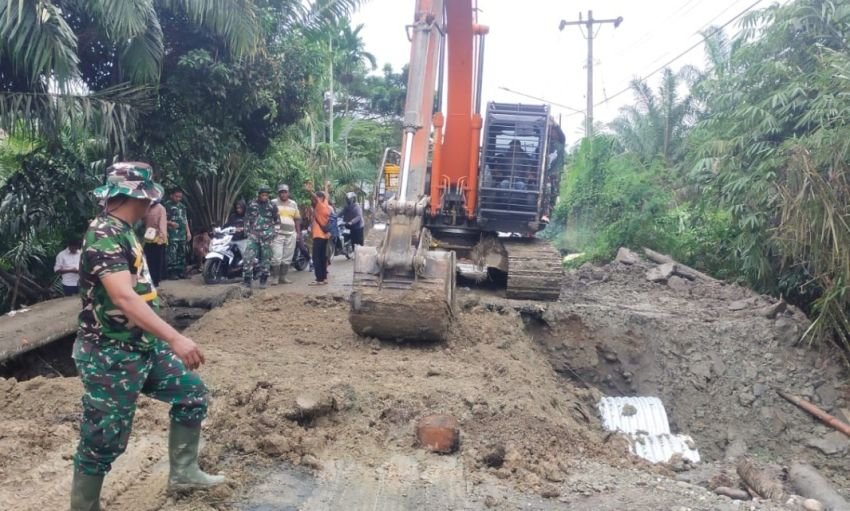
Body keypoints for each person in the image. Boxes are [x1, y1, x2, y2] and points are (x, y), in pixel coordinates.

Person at [70, 162, 224, 511]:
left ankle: (184, 473)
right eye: (147, 200)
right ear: (135, 198)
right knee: (103, 439)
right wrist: (175, 338)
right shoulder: (104, 234)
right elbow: (123, 297)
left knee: (191, 393)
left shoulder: (124, 230)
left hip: (141, 346)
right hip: (109, 352)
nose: (150, 207)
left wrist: (159, 339)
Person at [243, 185, 279, 289]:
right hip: (254, 235)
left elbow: (277, 221)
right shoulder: (252, 204)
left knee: (266, 258)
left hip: (267, 236)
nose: (265, 197)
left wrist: (274, 233)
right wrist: (247, 232)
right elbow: (246, 219)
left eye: (266, 195)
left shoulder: (272, 206)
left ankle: (263, 280)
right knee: (248, 257)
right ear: (259, 195)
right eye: (263, 195)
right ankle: (247, 279)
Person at [270, 184, 302, 285]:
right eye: (281, 192)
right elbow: (267, 217)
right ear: (278, 193)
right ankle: (275, 277)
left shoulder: (293, 204)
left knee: (287, 257)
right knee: (276, 257)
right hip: (277, 234)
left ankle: (283, 277)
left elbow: (297, 219)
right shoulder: (273, 203)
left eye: (285, 192)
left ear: (288, 193)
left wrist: (298, 233)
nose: (283, 194)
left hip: (290, 234)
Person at [306, 180, 331, 286]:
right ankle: (324, 278)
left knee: (316, 257)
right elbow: (327, 195)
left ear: (320, 198)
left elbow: (315, 198)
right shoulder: (326, 204)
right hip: (325, 236)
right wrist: (326, 186)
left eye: (317, 198)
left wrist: (310, 191)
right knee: (322, 257)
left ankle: (319, 279)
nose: (314, 200)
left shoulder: (320, 206)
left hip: (318, 235)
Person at [164, 189, 191, 280]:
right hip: (172, 233)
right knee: (172, 253)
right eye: (176, 196)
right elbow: (162, 219)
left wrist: (188, 232)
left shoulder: (182, 206)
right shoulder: (166, 205)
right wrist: (169, 224)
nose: (178, 199)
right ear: (171, 195)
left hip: (182, 233)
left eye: (180, 197)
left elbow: (185, 219)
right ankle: (172, 272)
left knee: (182, 252)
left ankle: (181, 271)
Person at [142, 199, 168, 286]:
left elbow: (162, 224)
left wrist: (161, 238)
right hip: (148, 237)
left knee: (157, 260)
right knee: (148, 259)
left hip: (158, 238)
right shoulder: (147, 207)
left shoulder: (161, 208)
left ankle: (156, 280)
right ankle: (150, 278)